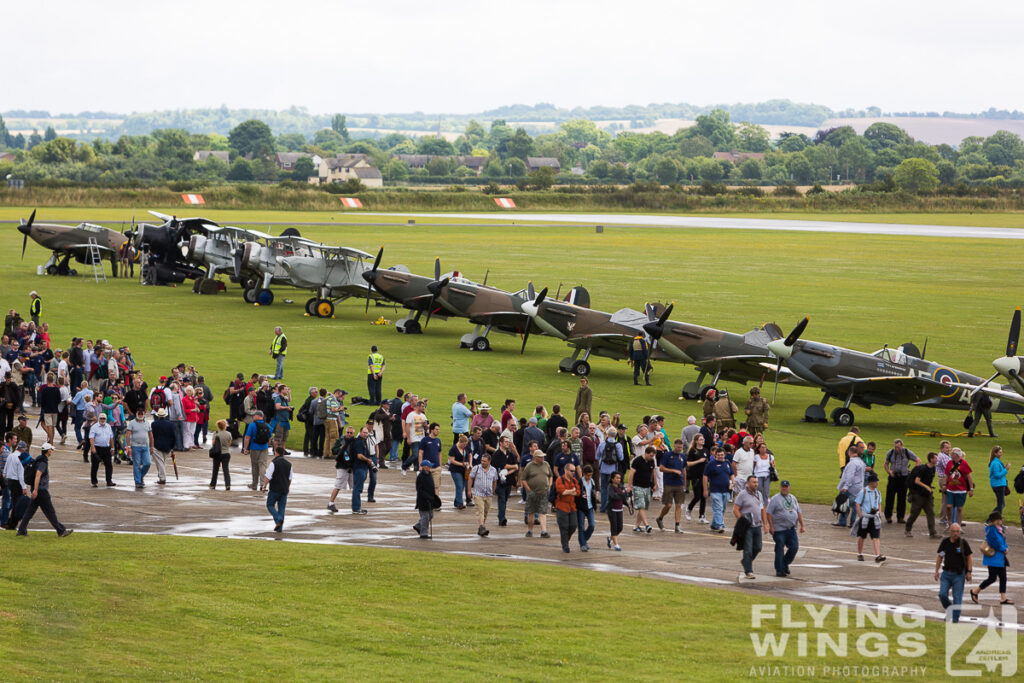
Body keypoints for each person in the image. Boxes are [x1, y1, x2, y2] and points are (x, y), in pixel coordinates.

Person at [17, 442, 73, 537]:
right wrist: (35, 490)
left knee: (29, 512)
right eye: (51, 449)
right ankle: (61, 530)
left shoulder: (38, 460)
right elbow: (38, 475)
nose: (52, 451)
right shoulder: (43, 462)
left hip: (37, 491)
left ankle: (21, 530)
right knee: (50, 512)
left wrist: (34, 490)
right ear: (47, 451)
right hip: (41, 491)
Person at [971, 511, 1012, 605]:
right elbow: (995, 543)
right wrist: (1003, 549)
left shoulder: (1000, 529)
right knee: (992, 578)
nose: (1001, 520)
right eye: (1000, 519)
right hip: (993, 558)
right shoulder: (991, 530)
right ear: (996, 520)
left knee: (1003, 577)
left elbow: (1003, 540)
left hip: (1000, 557)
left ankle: (1003, 598)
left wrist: (1006, 548)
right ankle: (975, 591)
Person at [766, 480, 805, 577]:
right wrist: (771, 526)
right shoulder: (775, 499)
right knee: (779, 548)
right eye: (783, 486)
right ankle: (779, 570)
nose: (784, 488)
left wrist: (802, 525)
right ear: (780, 487)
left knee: (794, 547)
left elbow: (798, 512)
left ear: (789, 487)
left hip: (791, 529)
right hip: (779, 530)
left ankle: (784, 564)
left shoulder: (793, 498)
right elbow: (769, 513)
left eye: (786, 486)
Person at [935, 523, 973, 623]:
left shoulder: (963, 543)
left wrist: (969, 571)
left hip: (959, 574)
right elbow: (940, 556)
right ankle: (950, 609)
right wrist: (936, 571)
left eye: (958, 531)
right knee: (942, 594)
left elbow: (969, 557)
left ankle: (955, 618)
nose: (956, 533)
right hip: (946, 573)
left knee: (957, 597)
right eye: (954, 531)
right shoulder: (945, 542)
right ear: (950, 532)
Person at [733, 475, 767, 579]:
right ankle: (748, 571)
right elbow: (735, 509)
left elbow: (762, 510)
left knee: (758, 547)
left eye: (757, 482)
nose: (756, 484)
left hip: (757, 525)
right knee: (747, 549)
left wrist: (765, 524)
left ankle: (746, 562)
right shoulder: (742, 495)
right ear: (748, 483)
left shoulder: (759, 494)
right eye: (753, 482)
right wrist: (742, 521)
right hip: (747, 527)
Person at [883, 439, 920, 524]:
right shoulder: (890, 452)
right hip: (893, 478)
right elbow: (885, 464)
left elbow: (918, 460)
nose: (897, 449)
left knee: (902, 498)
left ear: (902, 446)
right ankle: (888, 516)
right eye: (895, 447)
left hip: (903, 478)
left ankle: (900, 517)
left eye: (899, 447)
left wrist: (913, 472)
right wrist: (889, 471)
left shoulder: (907, 452)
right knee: (889, 497)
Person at [656, 438, 687, 533]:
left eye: (681, 448)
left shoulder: (683, 456)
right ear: (674, 446)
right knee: (668, 505)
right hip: (668, 482)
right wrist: (673, 470)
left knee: (679, 505)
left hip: (679, 483)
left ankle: (677, 525)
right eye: (678, 447)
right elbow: (661, 468)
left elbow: (684, 469)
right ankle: (660, 518)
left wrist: (685, 483)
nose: (679, 449)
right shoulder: (667, 455)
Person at [854, 473, 886, 563]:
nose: (877, 483)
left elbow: (879, 503)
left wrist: (879, 513)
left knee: (876, 537)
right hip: (865, 518)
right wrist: (860, 515)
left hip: (874, 518)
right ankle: (859, 554)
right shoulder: (863, 492)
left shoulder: (877, 492)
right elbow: (857, 503)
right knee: (862, 536)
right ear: (871, 483)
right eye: (876, 481)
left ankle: (877, 555)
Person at [521, 446, 552, 538]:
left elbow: (550, 475)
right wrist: (529, 490)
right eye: (541, 457)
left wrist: (549, 485)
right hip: (532, 493)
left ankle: (544, 531)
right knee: (531, 513)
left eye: (543, 456)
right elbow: (523, 479)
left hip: (544, 492)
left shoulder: (546, 464)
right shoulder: (529, 466)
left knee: (543, 512)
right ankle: (530, 530)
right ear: (535, 457)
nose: (543, 458)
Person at [905, 452, 938, 538]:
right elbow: (917, 481)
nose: (937, 460)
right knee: (915, 513)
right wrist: (926, 487)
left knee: (930, 512)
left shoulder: (933, 468)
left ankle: (932, 532)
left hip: (927, 495)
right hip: (918, 494)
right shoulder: (922, 469)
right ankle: (908, 529)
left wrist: (929, 488)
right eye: (936, 458)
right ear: (931, 459)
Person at [489, 434, 517, 527]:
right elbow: (504, 465)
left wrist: (508, 473)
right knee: (501, 499)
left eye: (508, 442)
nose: (507, 443)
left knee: (505, 500)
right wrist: (512, 467)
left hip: (508, 481)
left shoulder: (510, 454)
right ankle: (502, 518)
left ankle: (501, 514)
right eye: (506, 442)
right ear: (500, 443)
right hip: (499, 481)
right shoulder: (497, 454)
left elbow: (515, 467)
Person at [628, 446, 658, 534]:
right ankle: (647, 525)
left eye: (653, 456)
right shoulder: (637, 461)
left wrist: (655, 484)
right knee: (641, 506)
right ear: (646, 453)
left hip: (647, 487)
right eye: (651, 455)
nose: (652, 457)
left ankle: (636, 526)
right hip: (637, 486)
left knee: (644, 507)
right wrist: (629, 486)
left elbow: (653, 473)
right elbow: (631, 473)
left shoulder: (651, 461)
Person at [703, 447, 733, 533]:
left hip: (726, 490)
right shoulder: (711, 464)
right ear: (715, 455)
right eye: (718, 455)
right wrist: (705, 489)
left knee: (722, 509)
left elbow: (732, 474)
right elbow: (705, 476)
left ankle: (714, 524)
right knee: (718, 508)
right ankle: (720, 525)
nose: (720, 456)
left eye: (722, 455)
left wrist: (733, 483)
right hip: (715, 490)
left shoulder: (727, 463)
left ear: (724, 455)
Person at [263, 447, 292, 532]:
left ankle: (278, 519)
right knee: (281, 508)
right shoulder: (289, 464)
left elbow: (268, 476)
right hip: (284, 489)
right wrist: (288, 486)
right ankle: (280, 527)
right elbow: (290, 478)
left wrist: (264, 486)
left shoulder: (274, 463)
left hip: (275, 489)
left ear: (276, 453)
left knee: (270, 505)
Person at [835, 445, 865, 527]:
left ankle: (843, 522)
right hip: (859, 487)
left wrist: (846, 486)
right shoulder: (861, 462)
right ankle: (852, 522)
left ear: (850, 452)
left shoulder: (852, 463)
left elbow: (850, 476)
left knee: (846, 504)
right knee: (855, 505)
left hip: (851, 487)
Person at [470, 453, 499, 537]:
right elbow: (471, 478)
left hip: (488, 494)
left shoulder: (493, 470)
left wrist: (493, 491)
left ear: (489, 461)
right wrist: (469, 490)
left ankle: (481, 528)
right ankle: (482, 527)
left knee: (485, 512)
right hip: (478, 494)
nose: (482, 462)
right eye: (482, 461)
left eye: (484, 461)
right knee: (480, 511)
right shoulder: (476, 468)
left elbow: (494, 481)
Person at [943, 447, 974, 525]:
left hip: (961, 490)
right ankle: (950, 522)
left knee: (959, 508)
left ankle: (958, 525)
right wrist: (944, 484)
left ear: (956, 455)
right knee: (949, 506)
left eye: (952, 453)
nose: (951, 454)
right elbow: (947, 475)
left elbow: (969, 476)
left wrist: (971, 488)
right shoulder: (949, 463)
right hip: (950, 489)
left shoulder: (964, 463)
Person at [243, 411, 272, 492]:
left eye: (254, 415)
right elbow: (270, 438)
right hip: (264, 447)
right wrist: (267, 445)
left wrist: (245, 448)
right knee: (263, 465)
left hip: (254, 447)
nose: (253, 417)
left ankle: (254, 484)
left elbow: (247, 437)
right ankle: (263, 484)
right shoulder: (267, 425)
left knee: (255, 466)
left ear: (258, 416)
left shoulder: (252, 425)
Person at [553, 462, 579, 553]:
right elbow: (562, 492)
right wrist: (572, 491)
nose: (573, 473)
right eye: (571, 471)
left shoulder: (575, 481)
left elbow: (578, 492)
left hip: (572, 507)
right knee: (563, 527)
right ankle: (565, 546)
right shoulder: (560, 480)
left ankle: (565, 540)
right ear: (566, 470)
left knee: (573, 525)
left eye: (574, 471)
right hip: (562, 506)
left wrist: (569, 491)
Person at [126, 408, 153, 489]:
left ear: (144, 414)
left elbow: (151, 435)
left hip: (145, 446)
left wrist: (152, 446)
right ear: (137, 414)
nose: (140, 415)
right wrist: (129, 446)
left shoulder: (147, 423)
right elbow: (128, 435)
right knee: (137, 464)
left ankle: (140, 476)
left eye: (142, 413)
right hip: (135, 447)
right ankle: (138, 481)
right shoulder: (132, 423)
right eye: (139, 413)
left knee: (147, 463)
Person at [685, 434, 709, 524]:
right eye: (700, 439)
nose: (702, 441)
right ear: (696, 441)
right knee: (697, 495)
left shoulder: (706, 450)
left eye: (703, 439)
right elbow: (688, 463)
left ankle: (702, 516)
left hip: (704, 476)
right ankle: (689, 508)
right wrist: (699, 461)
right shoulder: (692, 451)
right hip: (695, 476)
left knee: (704, 496)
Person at [350, 425, 374, 514]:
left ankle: (357, 507)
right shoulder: (359, 442)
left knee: (358, 488)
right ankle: (356, 508)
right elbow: (359, 455)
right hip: (359, 467)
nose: (365, 434)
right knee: (357, 488)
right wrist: (368, 460)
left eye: (366, 433)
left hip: (362, 467)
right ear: (360, 433)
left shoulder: (363, 441)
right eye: (364, 432)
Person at [89, 413, 116, 488]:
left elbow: (111, 438)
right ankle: (94, 481)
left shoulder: (108, 427)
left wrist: (112, 447)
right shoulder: (94, 427)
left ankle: (109, 481)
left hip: (106, 448)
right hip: (97, 448)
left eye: (104, 418)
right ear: (98, 419)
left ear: (106, 419)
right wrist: (93, 447)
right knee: (95, 465)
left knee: (109, 465)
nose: (102, 420)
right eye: (101, 418)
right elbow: (91, 438)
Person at [149, 407, 175, 485]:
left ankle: (162, 478)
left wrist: (151, 445)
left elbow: (152, 436)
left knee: (160, 463)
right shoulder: (170, 424)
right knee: (162, 462)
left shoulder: (154, 424)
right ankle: (161, 476)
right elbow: (173, 437)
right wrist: (172, 447)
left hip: (157, 446)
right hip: (167, 447)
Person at [575, 464, 597, 551]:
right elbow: (577, 495)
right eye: (588, 475)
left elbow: (593, 494)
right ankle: (583, 544)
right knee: (581, 526)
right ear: (584, 474)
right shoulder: (580, 482)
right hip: (581, 507)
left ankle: (583, 539)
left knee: (592, 525)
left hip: (590, 507)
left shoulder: (592, 481)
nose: (589, 477)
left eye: (591, 475)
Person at [414, 462, 438, 539]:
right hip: (423, 500)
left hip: (430, 499)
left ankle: (418, 525)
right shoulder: (420, 476)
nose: (430, 467)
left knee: (431, 515)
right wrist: (426, 497)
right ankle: (423, 533)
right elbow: (419, 490)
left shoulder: (429, 474)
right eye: (428, 466)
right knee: (425, 517)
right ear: (424, 467)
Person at [448, 434, 470, 509]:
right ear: (460, 442)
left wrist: (470, 463)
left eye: (466, 444)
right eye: (464, 444)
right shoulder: (453, 449)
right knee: (459, 486)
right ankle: (460, 503)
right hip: (455, 470)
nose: (465, 446)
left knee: (462, 487)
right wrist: (461, 464)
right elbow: (452, 460)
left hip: (464, 470)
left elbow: (470, 454)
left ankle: (456, 501)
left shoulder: (466, 447)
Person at [210, 419, 232, 490]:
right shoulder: (228, 434)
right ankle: (228, 484)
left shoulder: (216, 433)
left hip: (217, 453)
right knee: (226, 470)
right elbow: (229, 443)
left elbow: (213, 443)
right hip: (226, 453)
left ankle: (213, 484)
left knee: (215, 470)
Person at [988, 445, 1008, 514]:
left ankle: (992, 519)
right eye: (1000, 452)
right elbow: (997, 475)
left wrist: (1004, 468)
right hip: (998, 485)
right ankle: (993, 520)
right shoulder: (995, 463)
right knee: (1000, 505)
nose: (1001, 454)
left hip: (998, 484)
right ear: (995, 453)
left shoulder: (996, 462)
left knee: (1001, 504)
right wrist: (1006, 469)